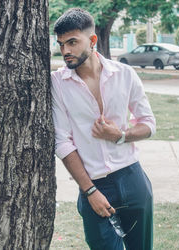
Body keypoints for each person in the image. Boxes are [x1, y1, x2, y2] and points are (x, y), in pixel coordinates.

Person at [52, 8, 156, 250]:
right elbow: (62, 141)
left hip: (133, 178)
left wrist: (121, 135)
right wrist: (90, 191)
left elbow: (149, 124)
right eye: (61, 44)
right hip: (94, 184)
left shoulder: (125, 74)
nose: (65, 51)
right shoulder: (57, 83)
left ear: (92, 40)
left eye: (72, 42)